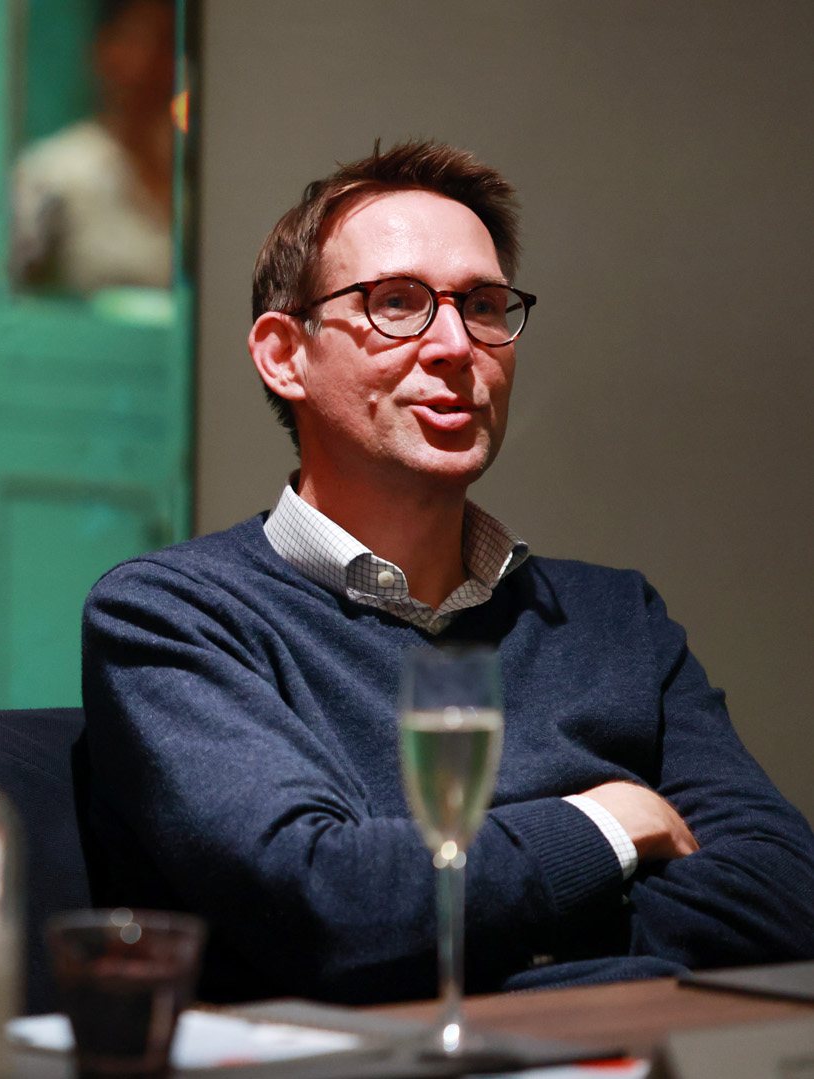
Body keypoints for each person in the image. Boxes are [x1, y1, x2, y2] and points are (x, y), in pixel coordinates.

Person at [78, 140, 814, 1005]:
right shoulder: (173, 615)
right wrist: (610, 823)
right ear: (284, 354)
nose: (457, 345)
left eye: (485, 305)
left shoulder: (616, 617)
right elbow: (331, 908)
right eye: (398, 303)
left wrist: (475, 927)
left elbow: (786, 893)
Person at [11, 0, 175, 294]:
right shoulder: (56, 172)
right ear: (104, 51)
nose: (154, 65)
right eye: (139, 41)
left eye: (167, 46)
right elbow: (12, 290)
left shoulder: (189, 171)